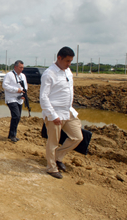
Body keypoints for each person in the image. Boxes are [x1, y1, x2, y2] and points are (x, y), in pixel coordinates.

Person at [40, 46, 83, 179]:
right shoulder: (49, 74)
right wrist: (53, 115)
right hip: (55, 113)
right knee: (53, 142)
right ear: (59, 58)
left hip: (68, 111)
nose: (69, 64)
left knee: (77, 137)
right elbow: (43, 97)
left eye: (71, 61)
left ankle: (58, 157)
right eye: (67, 61)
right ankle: (51, 168)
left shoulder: (67, 71)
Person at [2, 60, 27, 143]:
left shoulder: (23, 76)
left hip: (20, 99)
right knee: (16, 116)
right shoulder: (9, 75)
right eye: (20, 67)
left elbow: (25, 86)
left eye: (23, 67)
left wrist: (23, 94)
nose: (22, 69)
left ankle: (11, 134)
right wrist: (16, 90)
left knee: (18, 117)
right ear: (15, 67)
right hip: (11, 98)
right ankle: (13, 135)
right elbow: (5, 85)